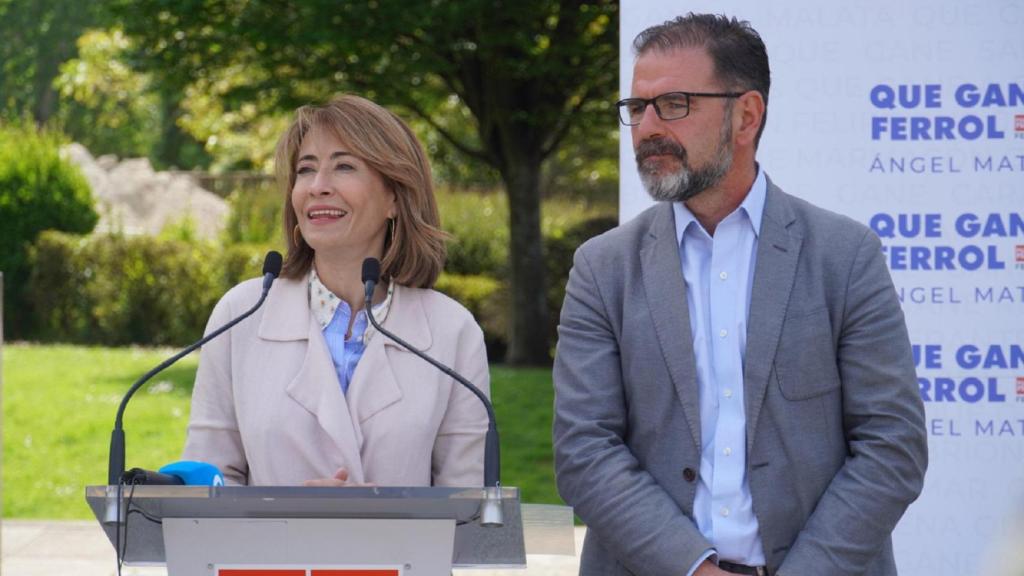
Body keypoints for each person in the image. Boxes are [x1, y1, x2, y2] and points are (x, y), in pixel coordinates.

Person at [552, 13, 927, 576]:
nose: (647, 126)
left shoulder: (845, 256)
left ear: (746, 115)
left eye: (674, 103)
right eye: (637, 107)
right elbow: (585, 450)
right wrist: (693, 568)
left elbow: (891, 446)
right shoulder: (602, 269)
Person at [183, 94, 490, 488]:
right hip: (269, 552)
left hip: (405, 553)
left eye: (344, 167)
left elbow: (470, 505)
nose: (318, 187)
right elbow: (207, 486)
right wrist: (293, 520)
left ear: (396, 197)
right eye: (306, 170)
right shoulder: (241, 314)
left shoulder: (452, 331)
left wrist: (374, 522)